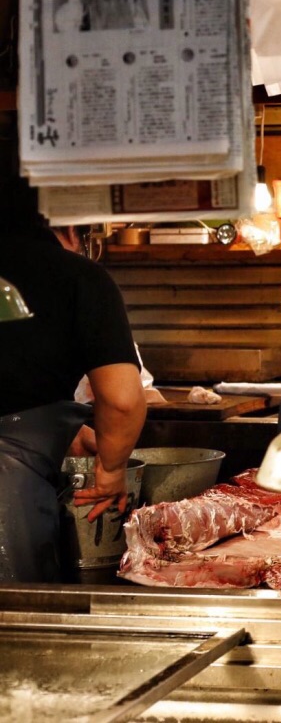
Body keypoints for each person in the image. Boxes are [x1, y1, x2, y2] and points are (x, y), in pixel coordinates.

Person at [0, 172, 145, 582]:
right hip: (8, 492)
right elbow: (121, 399)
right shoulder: (80, 278)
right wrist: (112, 470)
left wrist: (58, 429)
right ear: (64, 222)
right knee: (18, 631)